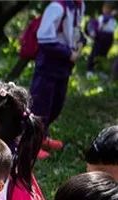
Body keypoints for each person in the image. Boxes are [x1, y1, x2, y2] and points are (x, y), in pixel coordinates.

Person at [30, 0, 85, 154]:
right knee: (41, 103)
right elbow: (45, 39)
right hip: (49, 63)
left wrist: (80, 41)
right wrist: (68, 53)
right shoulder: (57, 7)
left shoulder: (79, 6)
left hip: (64, 65)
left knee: (56, 103)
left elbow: (76, 30)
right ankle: (31, 144)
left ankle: (43, 136)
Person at [86, 1, 117, 75]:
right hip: (100, 38)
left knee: (103, 54)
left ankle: (99, 70)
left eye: (109, 9)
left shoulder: (113, 19)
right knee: (95, 53)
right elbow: (102, 24)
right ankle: (90, 70)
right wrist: (111, 16)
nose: (107, 10)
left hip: (108, 38)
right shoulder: (103, 17)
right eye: (106, 8)